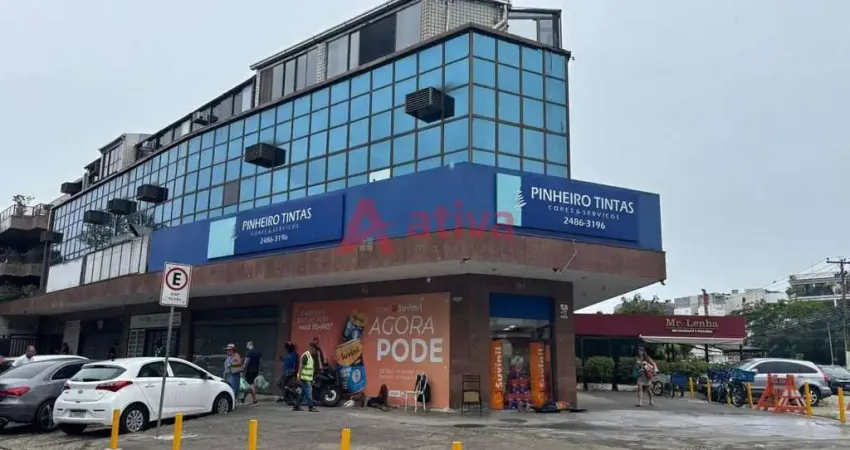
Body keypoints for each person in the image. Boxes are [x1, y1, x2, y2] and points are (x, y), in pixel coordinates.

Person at [294, 342, 318, 412]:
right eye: (315, 350)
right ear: (312, 348)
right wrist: (298, 376)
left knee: (303, 393)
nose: (315, 351)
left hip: (307, 378)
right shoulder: (306, 356)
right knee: (309, 391)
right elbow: (301, 367)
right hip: (304, 378)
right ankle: (311, 407)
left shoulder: (310, 356)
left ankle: (296, 406)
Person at [243, 341, 262, 406]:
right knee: (248, 385)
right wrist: (260, 371)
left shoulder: (249, 353)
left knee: (251, 385)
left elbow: (246, 362)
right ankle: (243, 399)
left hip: (249, 371)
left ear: (248, 345)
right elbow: (260, 362)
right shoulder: (258, 353)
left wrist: (242, 369)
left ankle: (255, 400)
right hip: (256, 371)